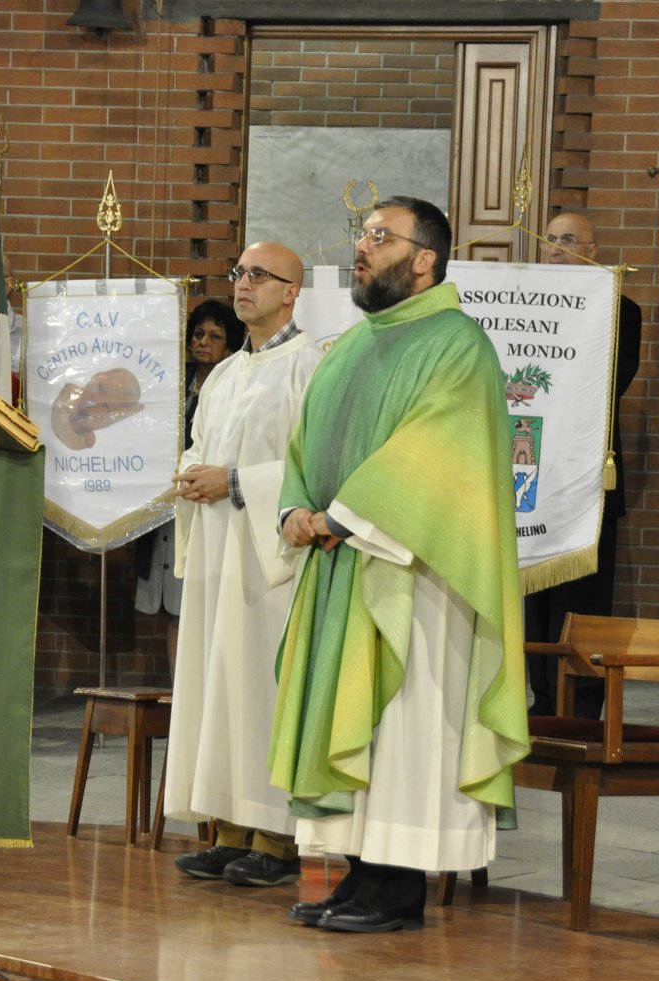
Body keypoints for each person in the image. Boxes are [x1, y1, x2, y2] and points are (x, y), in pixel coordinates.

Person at [270, 198, 529, 932]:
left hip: (411, 573)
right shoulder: (352, 346)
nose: (362, 247)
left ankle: (399, 885)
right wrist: (294, 506)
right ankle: (359, 872)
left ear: (425, 259)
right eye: (361, 234)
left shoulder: (457, 345)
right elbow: (302, 443)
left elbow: (432, 456)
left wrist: (338, 518)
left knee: (406, 724)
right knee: (353, 721)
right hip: (337, 561)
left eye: (380, 237)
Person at [164, 242, 325, 888]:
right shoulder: (225, 373)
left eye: (260, 274)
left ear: (292, 291)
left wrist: (233, 480)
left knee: (261, 689)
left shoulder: (309, 365)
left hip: (269, 561)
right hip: (216, 552)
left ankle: (276, 834)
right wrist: (190, 475)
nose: (244, 283)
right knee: (217, 687)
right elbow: (198, 446)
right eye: (239, 273)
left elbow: (314, 468)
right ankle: (227, 827)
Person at [523, 211, 643, 718]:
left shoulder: (622, 310)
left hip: (587, 473)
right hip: (530, 466)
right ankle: (540, 698)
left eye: (569, 239)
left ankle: (581, 705)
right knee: (533, 595)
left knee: (584, 597)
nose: (556, 246)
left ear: (593, 250)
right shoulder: (522, 307)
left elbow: (610, 386)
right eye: (550, 238)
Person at [133, 300, 247, 626]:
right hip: (164, 502)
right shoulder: (173, 383)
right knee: (170, 608)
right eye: (198, 335)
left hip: (206, 502)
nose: (202, 343)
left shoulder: (235, 386)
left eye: (214, 337)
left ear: (230, 346)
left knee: (196, 610)